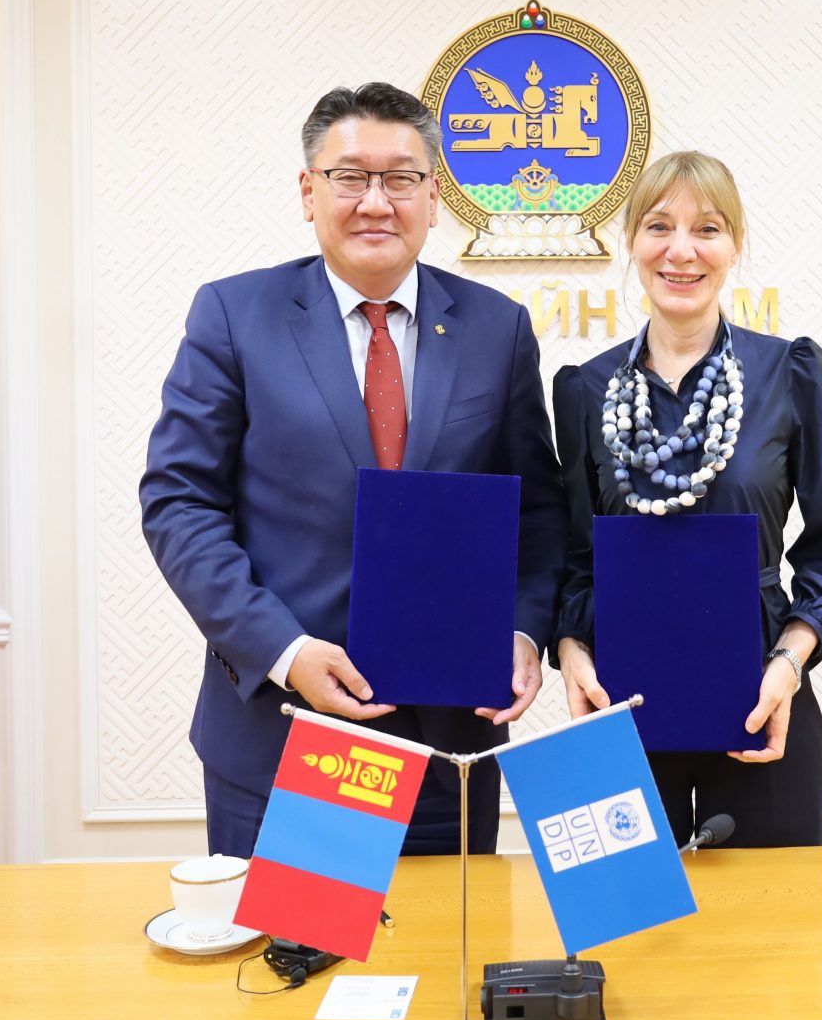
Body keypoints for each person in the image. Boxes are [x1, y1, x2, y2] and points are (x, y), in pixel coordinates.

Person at [140, 82, 566, 857]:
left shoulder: (496, 329)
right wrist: (284, 651)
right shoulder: (235, 316)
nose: (377, 200)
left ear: (434, 198)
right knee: (286, 972)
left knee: (441, 967)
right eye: (351, 176)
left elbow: (537, 511)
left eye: (402, 177)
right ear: (309, 191)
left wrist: (526, 631)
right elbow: (179, 504)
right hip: (283, 735)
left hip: (447, 749)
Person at [551, 150, 822, 848]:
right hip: (621, 706)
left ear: (735, 245)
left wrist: (790, 662)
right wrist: (571, 650)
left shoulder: (789, 372)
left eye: (706, 228)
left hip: (763, 700)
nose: (681, 250)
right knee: (631, 941)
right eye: (659, 226)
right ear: (631, 244)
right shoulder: (587, 390)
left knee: (772, 946)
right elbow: (575, 558)